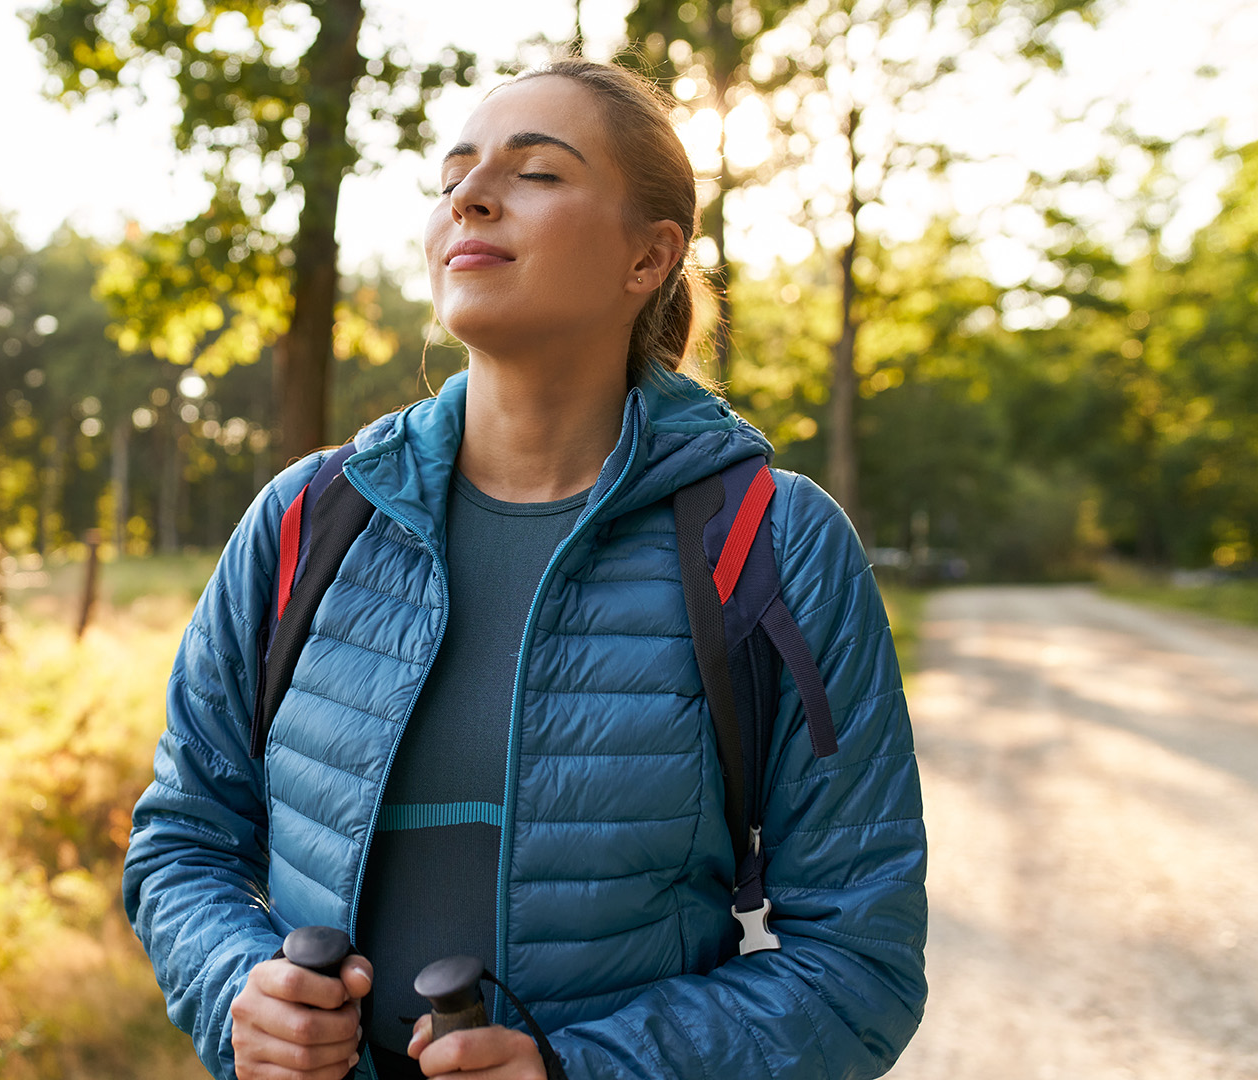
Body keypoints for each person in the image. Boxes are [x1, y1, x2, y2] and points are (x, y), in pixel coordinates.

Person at [123, 57, 927, 1080]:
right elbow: (183, 842)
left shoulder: (775, 542)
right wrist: (238, 988)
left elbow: (860, 965)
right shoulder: (305, 519)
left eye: (537, 172)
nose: (471, 194)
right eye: (454, 173)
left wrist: (577, 1073)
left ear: (650, 258)